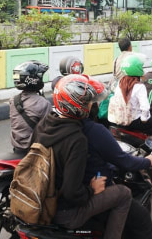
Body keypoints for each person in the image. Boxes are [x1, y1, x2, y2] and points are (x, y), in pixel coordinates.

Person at [34, 75, 132, 239]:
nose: (92, 104)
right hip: (67, 213)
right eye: (88, 102)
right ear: (77, 106)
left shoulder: (44, 124)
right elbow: (72, 192)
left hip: (43, 201)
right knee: (124, 193)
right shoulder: (77, 138)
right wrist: (92, 189)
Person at [82, 86, 152, 239]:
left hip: (74, 189)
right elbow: (125, 161)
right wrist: (148, 161)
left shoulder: (49, 125)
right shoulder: (93, 130)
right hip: (92, 189)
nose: (95, 105)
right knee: (140, 215)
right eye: (92, 102)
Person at [10, 61, 51, 153]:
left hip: (17, 148)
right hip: (33, 150)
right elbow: (49, 129)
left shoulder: (13, 100)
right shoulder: (43, 103)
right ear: (34, 79)